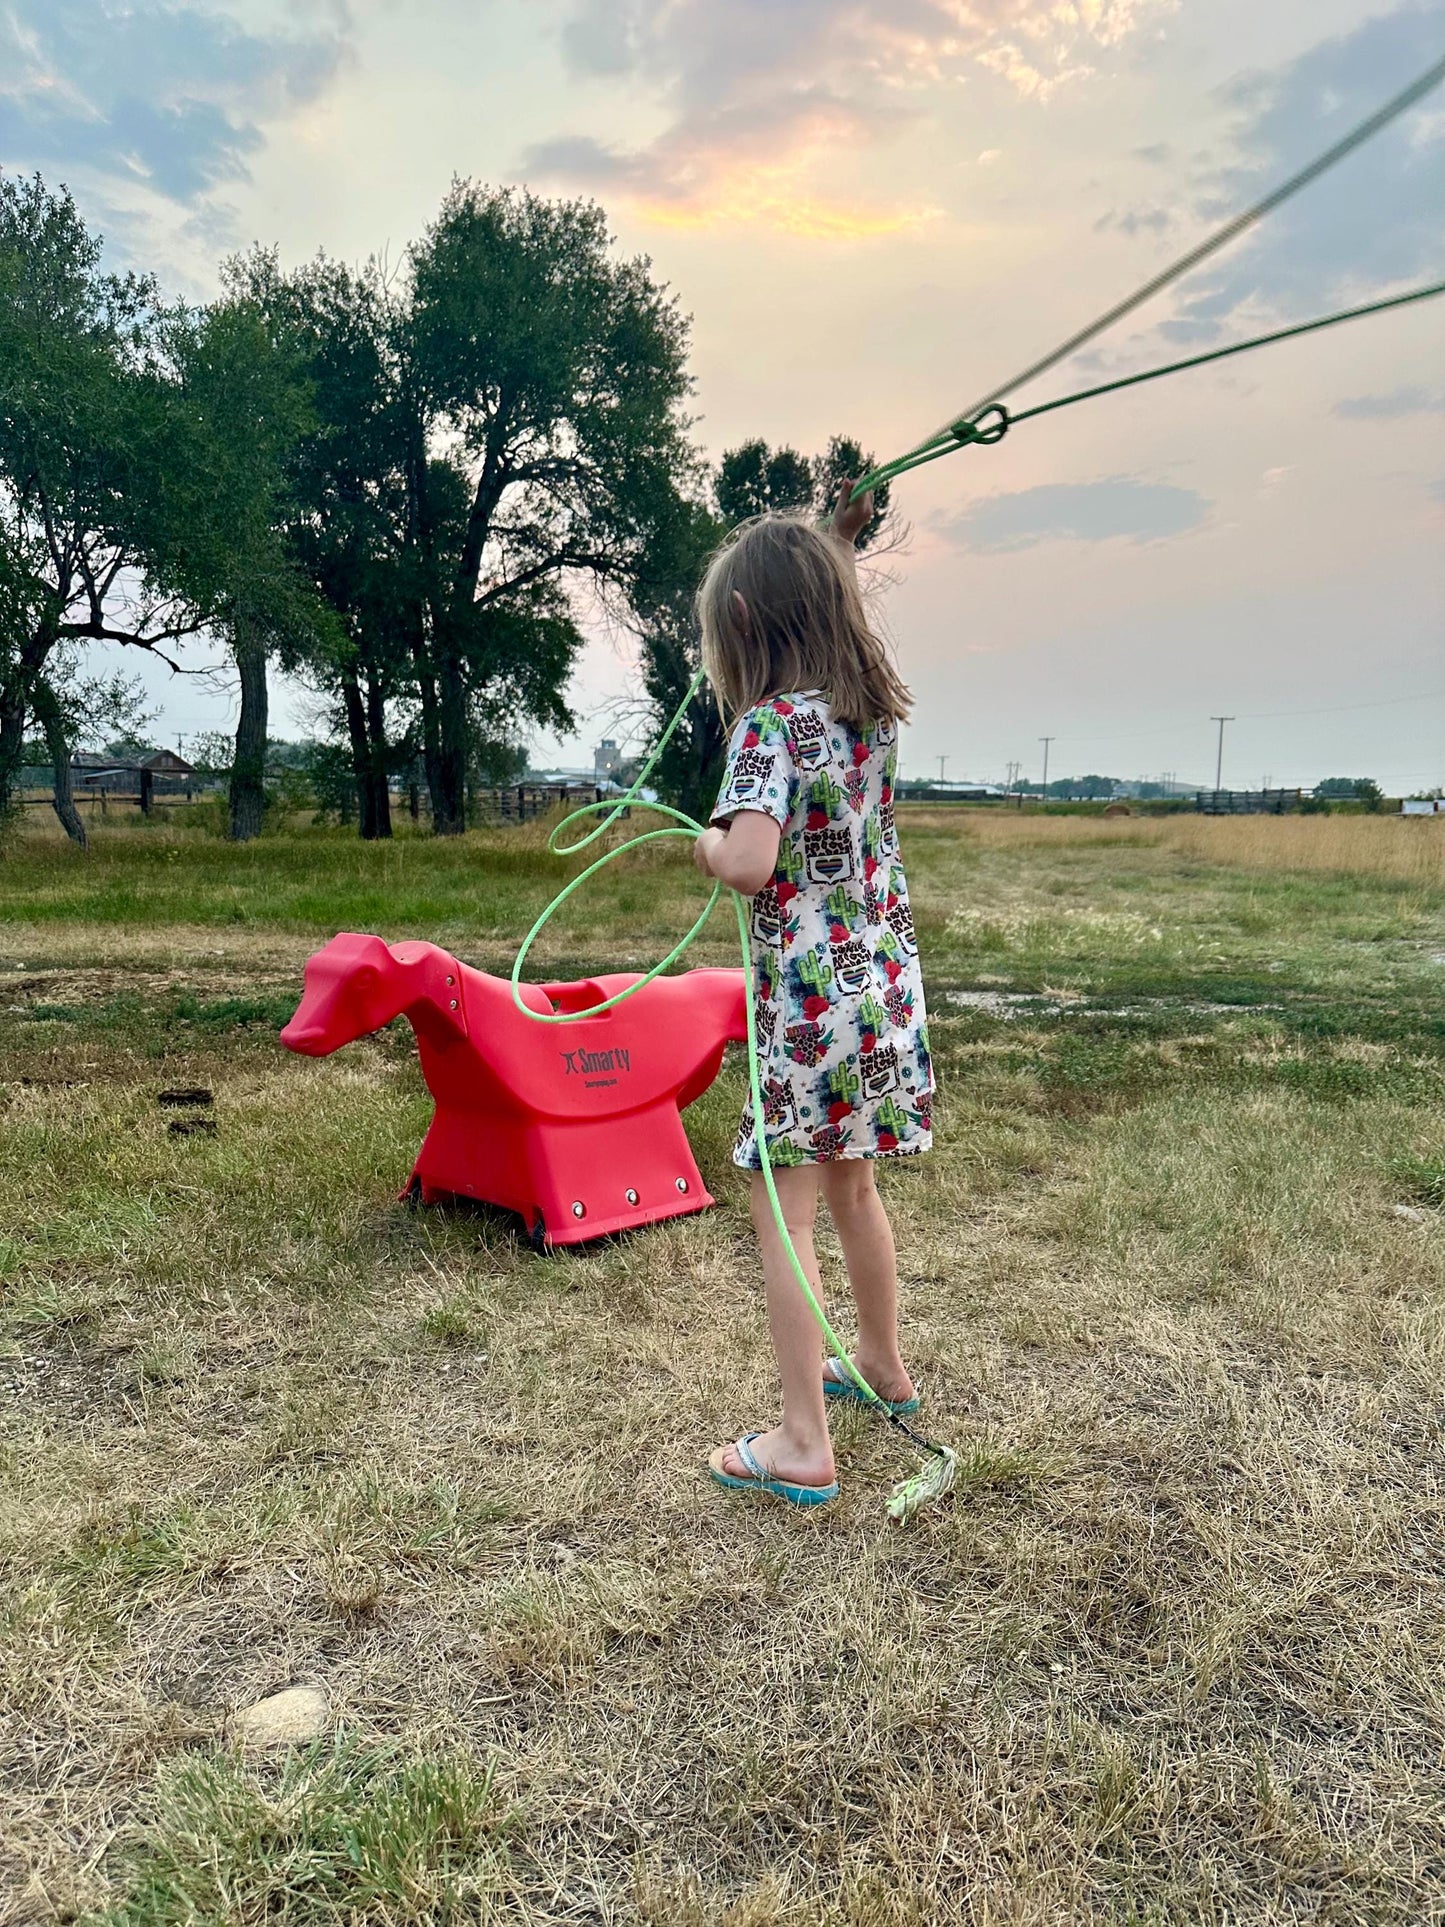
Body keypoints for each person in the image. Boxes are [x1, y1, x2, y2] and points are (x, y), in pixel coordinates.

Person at [692, 481, 934, 1507]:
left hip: (801, 1012)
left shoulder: (765, 728)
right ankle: (880, 1365)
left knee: (783, 1212)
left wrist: (705, 844)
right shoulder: (865, 719)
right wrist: (831, 540)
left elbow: (748, 862)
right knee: (853, 1187)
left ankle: (801, 1440)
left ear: (743, 625)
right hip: (876, 1000)